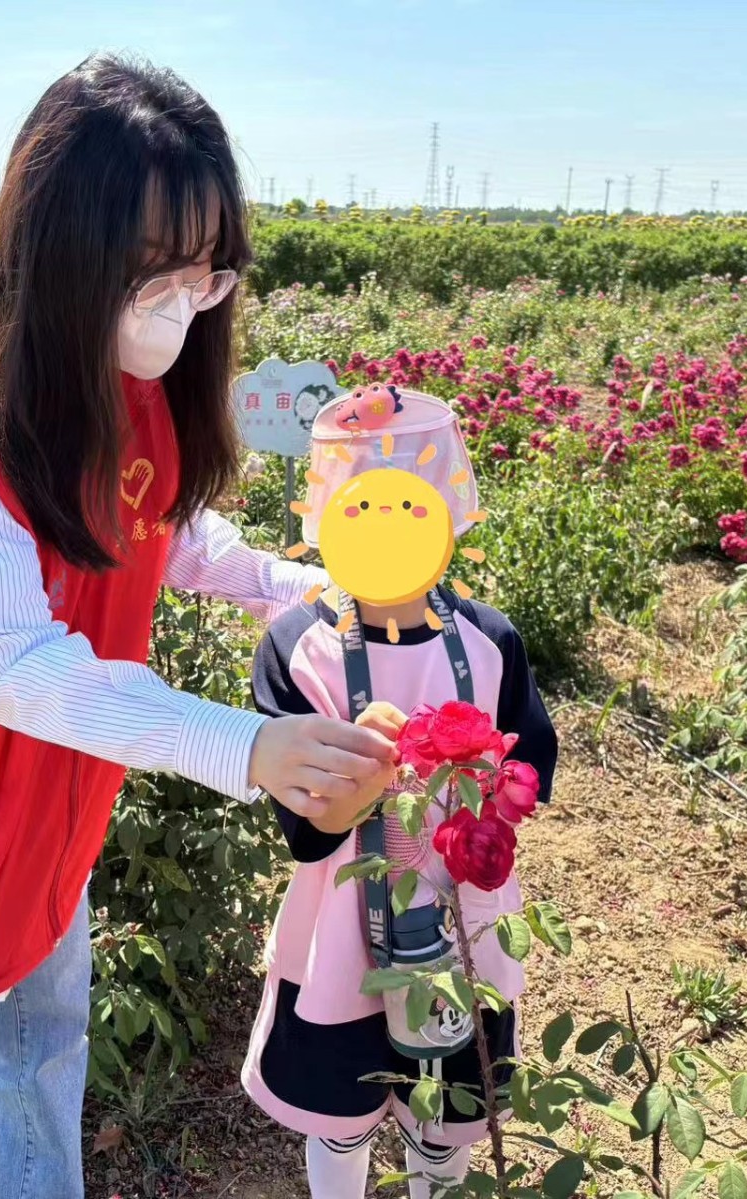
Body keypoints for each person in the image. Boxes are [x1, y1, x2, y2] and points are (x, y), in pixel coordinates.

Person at [0, 55, 396, 1199]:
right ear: (58, 241)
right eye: (154, 267)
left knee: (43, 1048)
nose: (183, 301)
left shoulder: (125, 363)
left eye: (207, 271)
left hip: (46, 797)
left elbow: (161, 523)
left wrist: (287, 582)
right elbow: (5, 661)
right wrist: (246, 744)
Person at [241, 389, 559, 1197]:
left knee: (446, 1111)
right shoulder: (296, 646)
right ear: (328, 518)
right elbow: (308, 831)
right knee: (340, 1111)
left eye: (410, 507)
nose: (387, 527)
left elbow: (531, 770)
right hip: (340, 923)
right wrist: (367, 766)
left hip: (461, 916)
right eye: (364, 507)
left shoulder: (490, 640)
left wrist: (473, 777)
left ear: (447, 514)